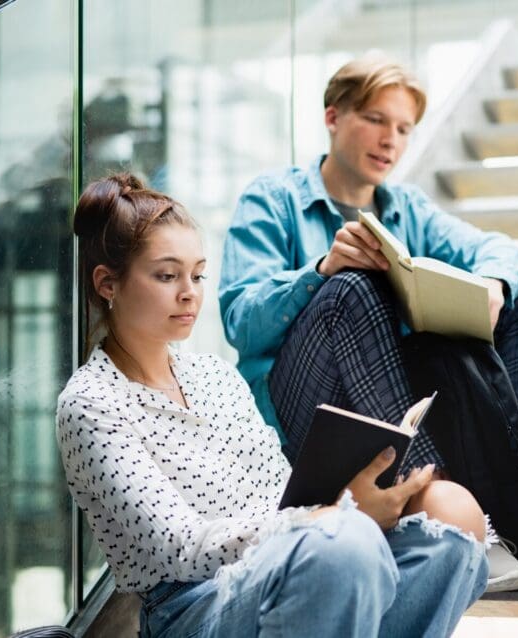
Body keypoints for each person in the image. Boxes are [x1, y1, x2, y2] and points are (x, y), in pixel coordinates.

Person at [56, 174, 489, 638]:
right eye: (166, 275)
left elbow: (279, 491)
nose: (190, 293)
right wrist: (333, 519)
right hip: (190, 605)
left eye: (198, 275)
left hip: (284, 558)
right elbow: (179, 548)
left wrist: (343, 504)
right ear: (107, 283)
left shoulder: (215, 376)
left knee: (453, 522)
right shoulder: (91, 404)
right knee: (345, 541)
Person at [218, 56, 518, 590]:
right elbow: (240, 322)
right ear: (333, 117)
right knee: (350, 287)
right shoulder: (273, 199)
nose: (391, 141)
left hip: (391, 400)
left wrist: (495, 285)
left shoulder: (407, 208)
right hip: (302, 414)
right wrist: (320, 270)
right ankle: (438, 501)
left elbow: (499, 250)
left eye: (404, 129)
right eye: (376, 120)